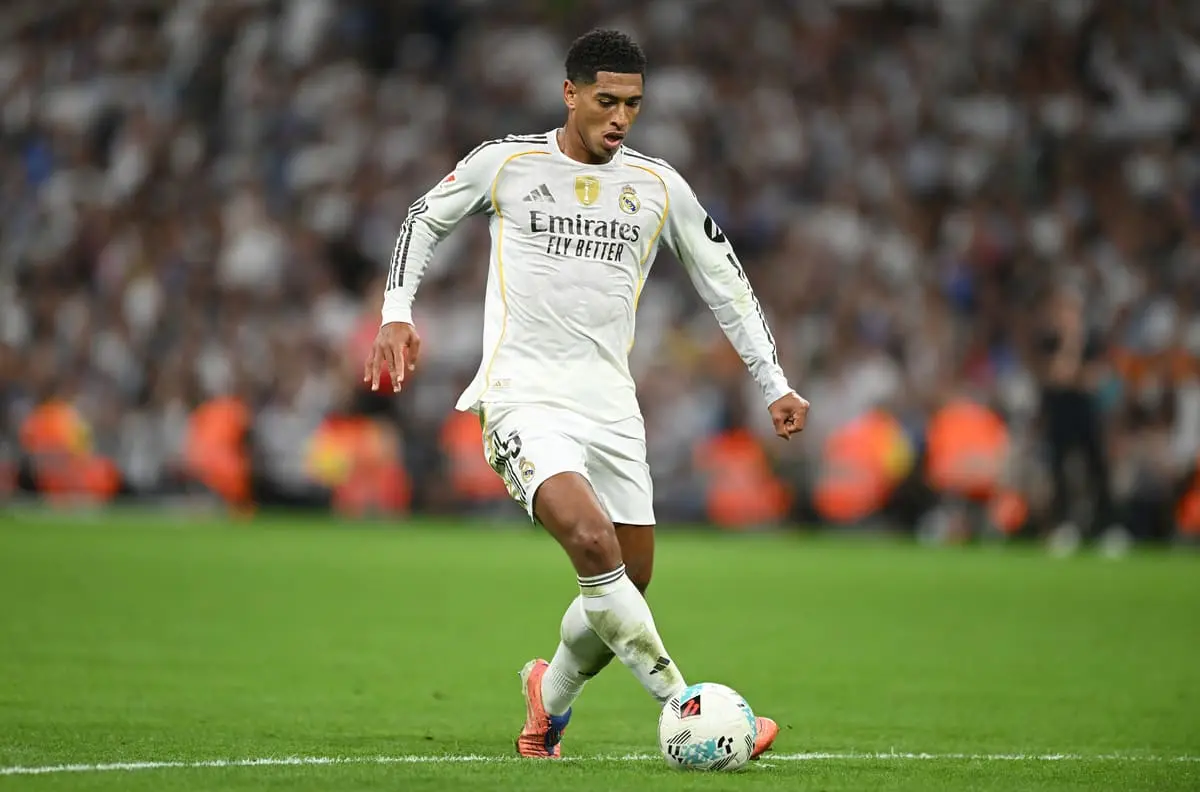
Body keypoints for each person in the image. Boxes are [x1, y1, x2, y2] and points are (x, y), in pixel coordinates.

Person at [364, 29, 809, 759]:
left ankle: (549, 702)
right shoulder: (507, 164)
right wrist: (396, 313)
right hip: (523, 397)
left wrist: (775, 383)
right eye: (607, 101)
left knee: (626, 584)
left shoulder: (657, 186)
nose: (621, 118)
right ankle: (688, 704)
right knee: (593, 543)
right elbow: (423, 218)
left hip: (610, 407)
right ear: (569, 94)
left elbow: (724, 283)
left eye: (633, 104)